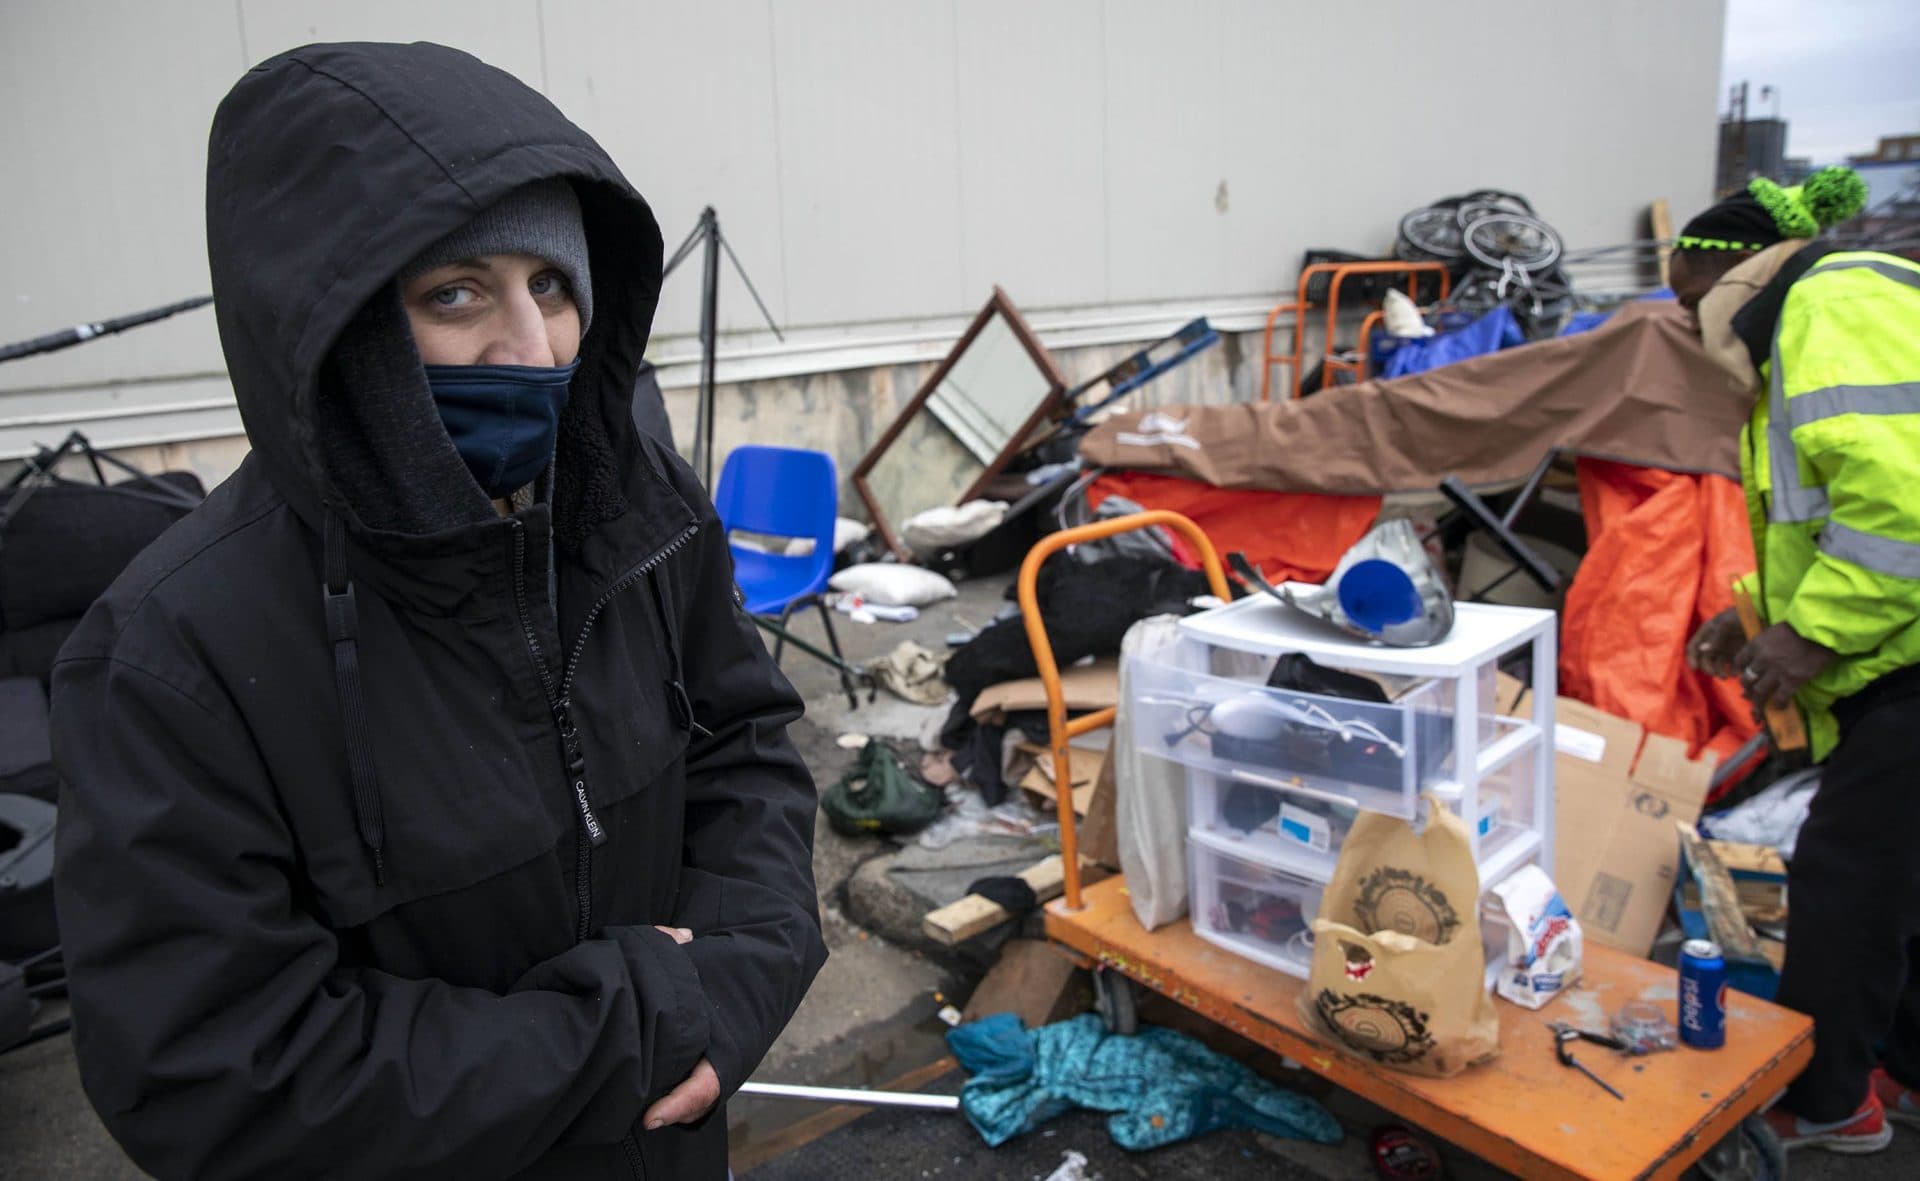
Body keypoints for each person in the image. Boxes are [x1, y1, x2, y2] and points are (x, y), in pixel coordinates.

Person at [51, 41, 826, 1180]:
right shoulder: (173, 652)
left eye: (551, 285)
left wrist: (738, 978)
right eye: (455, 293)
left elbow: (747, 750)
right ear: (340, 325)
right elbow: (213, 1068)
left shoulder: (641, 513)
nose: (531, 348)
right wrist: (627, 1029)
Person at [1678, 166, 1920, 1155]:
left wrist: (1812, 632)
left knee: (1846, 874)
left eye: (1693, 302)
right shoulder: (1852, 300)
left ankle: (1829, 1101)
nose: (1694, 330)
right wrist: (1757, 617)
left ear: (1738, 273)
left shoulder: (1826, 303)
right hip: (1893, 643)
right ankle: (1898, 1064)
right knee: (1901, 873)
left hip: (1899, 658)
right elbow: (1832, 514)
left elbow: (1899, 510)